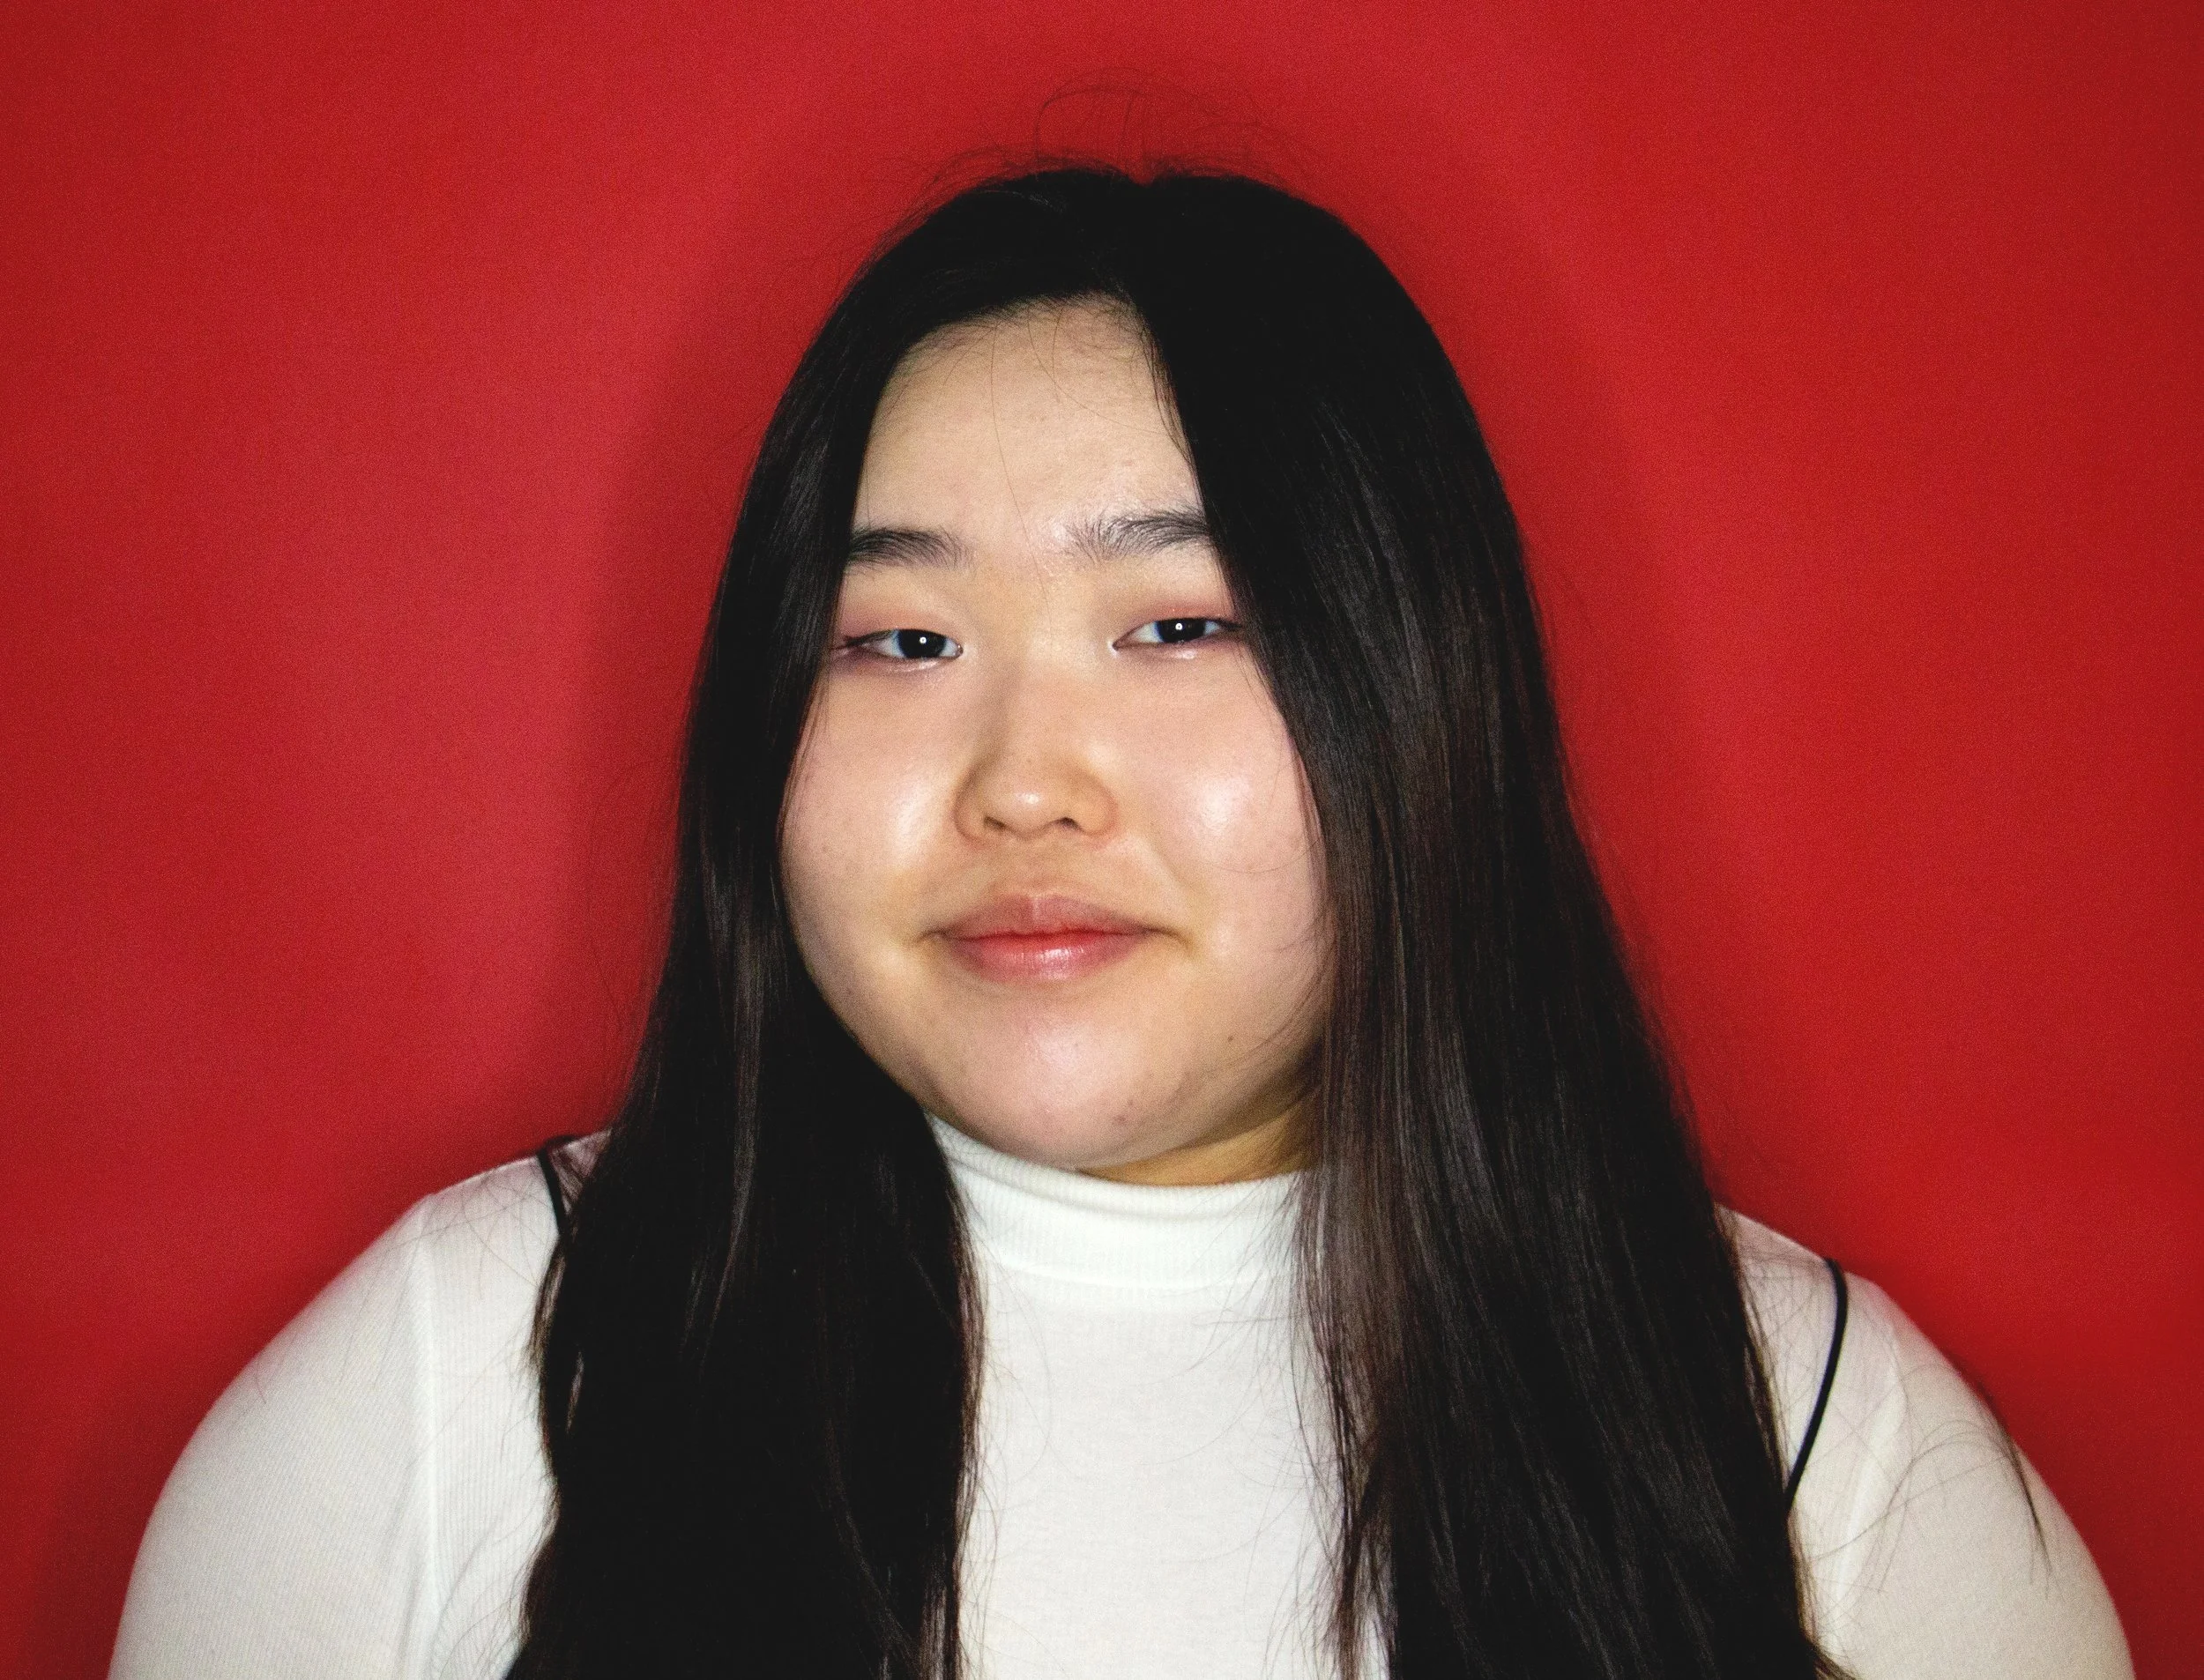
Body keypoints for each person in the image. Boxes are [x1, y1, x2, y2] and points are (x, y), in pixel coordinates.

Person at [109, 167, 2131, 1680]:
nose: (1020, 780)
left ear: (1410, 688)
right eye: (899, 635)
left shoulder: (1807, 1428)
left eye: (1174, 624)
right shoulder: (457, 1368)